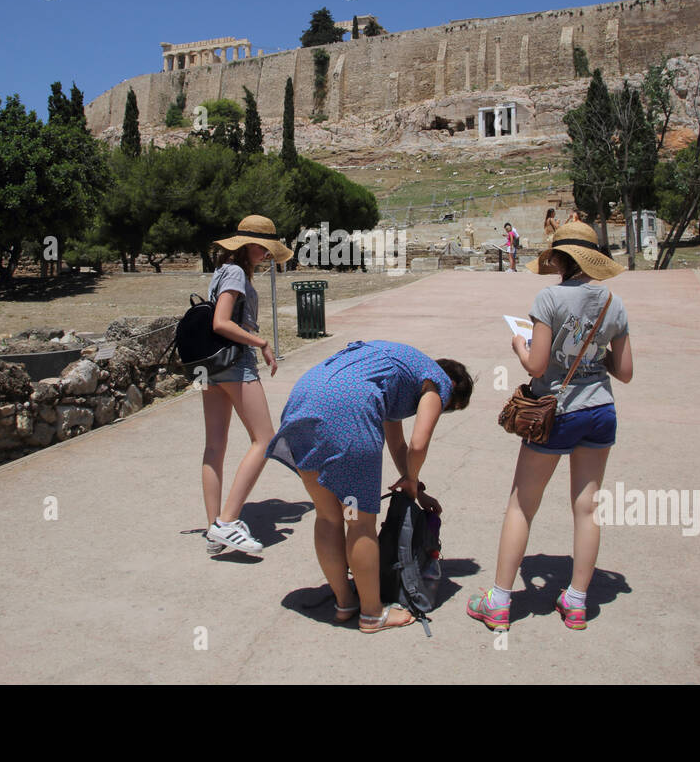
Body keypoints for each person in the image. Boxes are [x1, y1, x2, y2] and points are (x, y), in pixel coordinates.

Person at [468, 222, 633, 632]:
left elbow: (537, 366)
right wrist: (593, 357)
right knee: (588, 505)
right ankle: (577, 602)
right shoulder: (614, 302)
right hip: (601, 409)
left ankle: (500, 602)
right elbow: (625, 371)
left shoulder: (549, 297)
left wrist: (519, 347)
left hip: (556, 411)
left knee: (523, 503)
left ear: (558, 259)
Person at [266, 341, 473, 632]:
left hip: (304, 401)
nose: (442, 409)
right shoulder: (437, 382)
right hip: (348, 415)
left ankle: (345, 602)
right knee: (359, 523)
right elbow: (418, 444)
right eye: (448, 407)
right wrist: (411, 480)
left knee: (328, 515)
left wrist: (416, 487)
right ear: (451, 386)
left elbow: (398, 444)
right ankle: (372, 613)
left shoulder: (394, 370)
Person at [199, 215, 292, 555]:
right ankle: (227, 521)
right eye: (265, 249)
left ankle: (214, 530)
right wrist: (261, 343)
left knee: (214, 446)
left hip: (210, 368)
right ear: (250, 246)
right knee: (265, 439)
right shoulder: (236, 273)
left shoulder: (222, 271)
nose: (267, 255)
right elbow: (221, 322)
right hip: (235, 365)